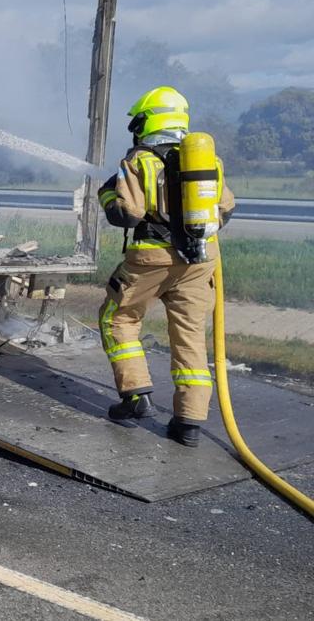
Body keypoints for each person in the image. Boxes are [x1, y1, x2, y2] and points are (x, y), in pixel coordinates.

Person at [97, 86, 235, 447]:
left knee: (117, 317)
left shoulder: (140, 160)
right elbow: (225, 209)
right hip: (200, 260)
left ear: (148, 121)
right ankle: (189, 422)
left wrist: (108, 193)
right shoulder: (206, 161)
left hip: (152, 259)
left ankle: (135, 395)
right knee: (190, 336)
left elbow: (127, 214)